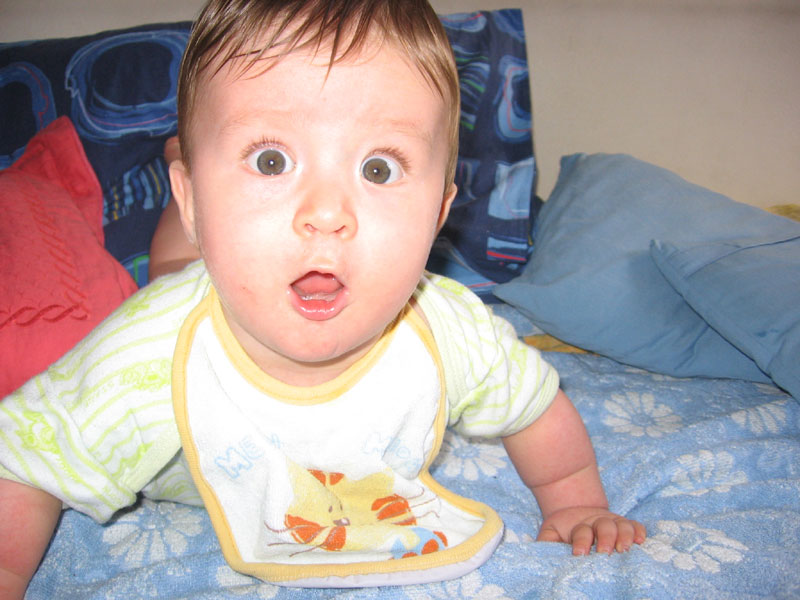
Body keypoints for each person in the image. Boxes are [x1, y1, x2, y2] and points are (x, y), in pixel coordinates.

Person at [0, 0, 646, 595]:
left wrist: (576, 502)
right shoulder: (145, 357)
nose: (328, 212)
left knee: (225, 256)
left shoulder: (448, 329)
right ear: (194, 198)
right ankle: (188, 191)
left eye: (378, 168)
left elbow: (534, 406)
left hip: (241, 255)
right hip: (192, 288)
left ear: (438, 214)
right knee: (177, 267)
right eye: (272, 161)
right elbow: (25, 461)